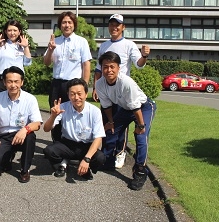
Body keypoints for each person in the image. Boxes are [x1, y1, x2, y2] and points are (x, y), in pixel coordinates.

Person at [92, 14, 150, 169]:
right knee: (109, 123)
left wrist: (144, 55)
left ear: (123, 27)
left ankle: (120, 152)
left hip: (123, 92)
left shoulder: (129, 44)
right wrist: (95, 86)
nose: (114, 27)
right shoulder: (104, 45)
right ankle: (107, 154)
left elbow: (139, 64)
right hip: (107, 89)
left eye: (117, 25)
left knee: (122, 127)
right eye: (111, 24)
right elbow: (99, 68)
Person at [95, 51, 156, 190]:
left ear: (118, 68)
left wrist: (140, 125)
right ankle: (108, 161)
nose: (108, 70)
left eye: (112, 67)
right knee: (111, 131)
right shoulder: (100, 84)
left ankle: (140, 171)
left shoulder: (126, 82)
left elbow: (136, 106)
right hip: (125, 108)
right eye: (105, 67)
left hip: (143, 107)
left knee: (141, 137)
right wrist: (110, 122)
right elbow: (107, 106)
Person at [0, 66, 42, 183]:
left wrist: (25, 130)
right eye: (10, 81)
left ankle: (24, 170)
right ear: (4, 82)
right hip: (4, 136)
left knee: (30, 137)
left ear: (22, 82)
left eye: (16, 81)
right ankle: (8, 158)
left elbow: (37, 123)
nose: (13, 85)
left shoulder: (30, 99)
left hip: (22, 134)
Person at [43, 78, 106, 180]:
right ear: (68, 95)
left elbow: (98, 138)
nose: (76, 97)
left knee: (100, 158)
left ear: (86, 94)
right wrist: (53, 116)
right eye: (72, 94)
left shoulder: (95, 111)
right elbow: (46, 129)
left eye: (79, 93)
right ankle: (61, 165)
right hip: (67, 144)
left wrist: (87, 159)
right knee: (49, 151)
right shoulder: (63, 107)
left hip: (86, 145)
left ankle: (85, 167)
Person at [43, 11, 92, 142]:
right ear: (60, 25)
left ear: (74, 25)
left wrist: (84, 86)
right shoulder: (55, 42)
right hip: (57, 84)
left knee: (72, 115)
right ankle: (57, 146)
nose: (67, 25)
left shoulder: (81, 42)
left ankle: (72, 145)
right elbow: (47, 63)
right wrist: (51, 49)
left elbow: (86, 65)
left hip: (73, 85)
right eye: (64, 22)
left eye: (69, 22)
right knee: (55, 114)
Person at [0, 20, 32, 94]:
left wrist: (26, 47)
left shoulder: (22, 45)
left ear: (19, 32)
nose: (12, 33)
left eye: (15, 30)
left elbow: (27, 63)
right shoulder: (0, 45)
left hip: (17, 80)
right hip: (1, 81)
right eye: (9, 30)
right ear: (5, 32)